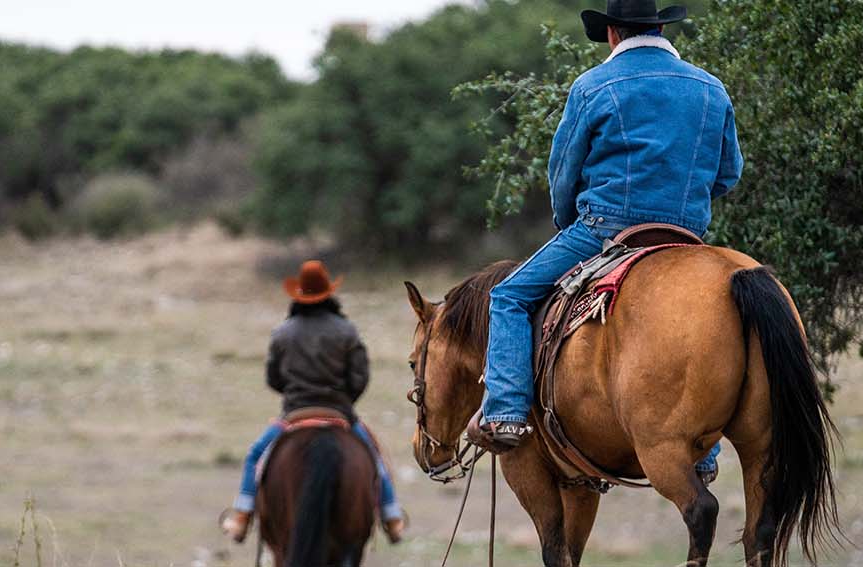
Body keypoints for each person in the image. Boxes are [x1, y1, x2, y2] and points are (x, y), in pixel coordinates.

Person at [468, 0, 742, 483]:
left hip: (604, 229)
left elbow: (564, 172)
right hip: (686, 235)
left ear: (612, 34)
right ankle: (702, 453)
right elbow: (728, 174)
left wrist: (566, 219)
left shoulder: (593, 86)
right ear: (661, 27)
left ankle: (506, 411)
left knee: (508, 295)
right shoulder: (711, 88)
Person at [220, 260, 406, 543]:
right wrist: (344, 401)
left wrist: (294, 395)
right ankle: (391, 518)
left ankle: (242, 518)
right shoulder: (347, 331)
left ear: (299, 295)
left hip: (295, 414)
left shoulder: (283, 332)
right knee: (375, 458)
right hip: (339, 413)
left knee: (256, 455)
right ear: (329, 293)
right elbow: (360, 378)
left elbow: (273, 378)